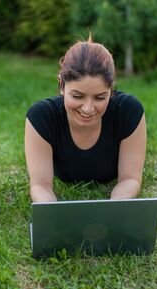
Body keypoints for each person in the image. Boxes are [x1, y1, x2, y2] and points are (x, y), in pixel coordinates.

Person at [24, 36, 146, 202]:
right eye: (77, 96)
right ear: (61, 85)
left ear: (111, 90)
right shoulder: (41, 117)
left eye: (100, 97)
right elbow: (40, 186)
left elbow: (130, 179)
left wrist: (116, 205)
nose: (88, 108)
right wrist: (53, 215)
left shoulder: (128, 111)